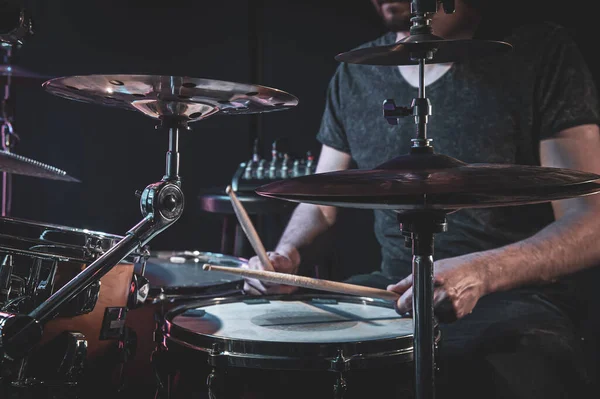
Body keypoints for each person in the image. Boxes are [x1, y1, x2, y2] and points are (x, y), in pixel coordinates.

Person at [243, 1, 600, 398]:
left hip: (511, 295)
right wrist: (285, 256)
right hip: (392, 292)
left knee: (519, 367)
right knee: (278, 351)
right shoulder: (357, 72)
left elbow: (592, 221)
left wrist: (482, 271)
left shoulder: (540, 51)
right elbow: (321, 201)